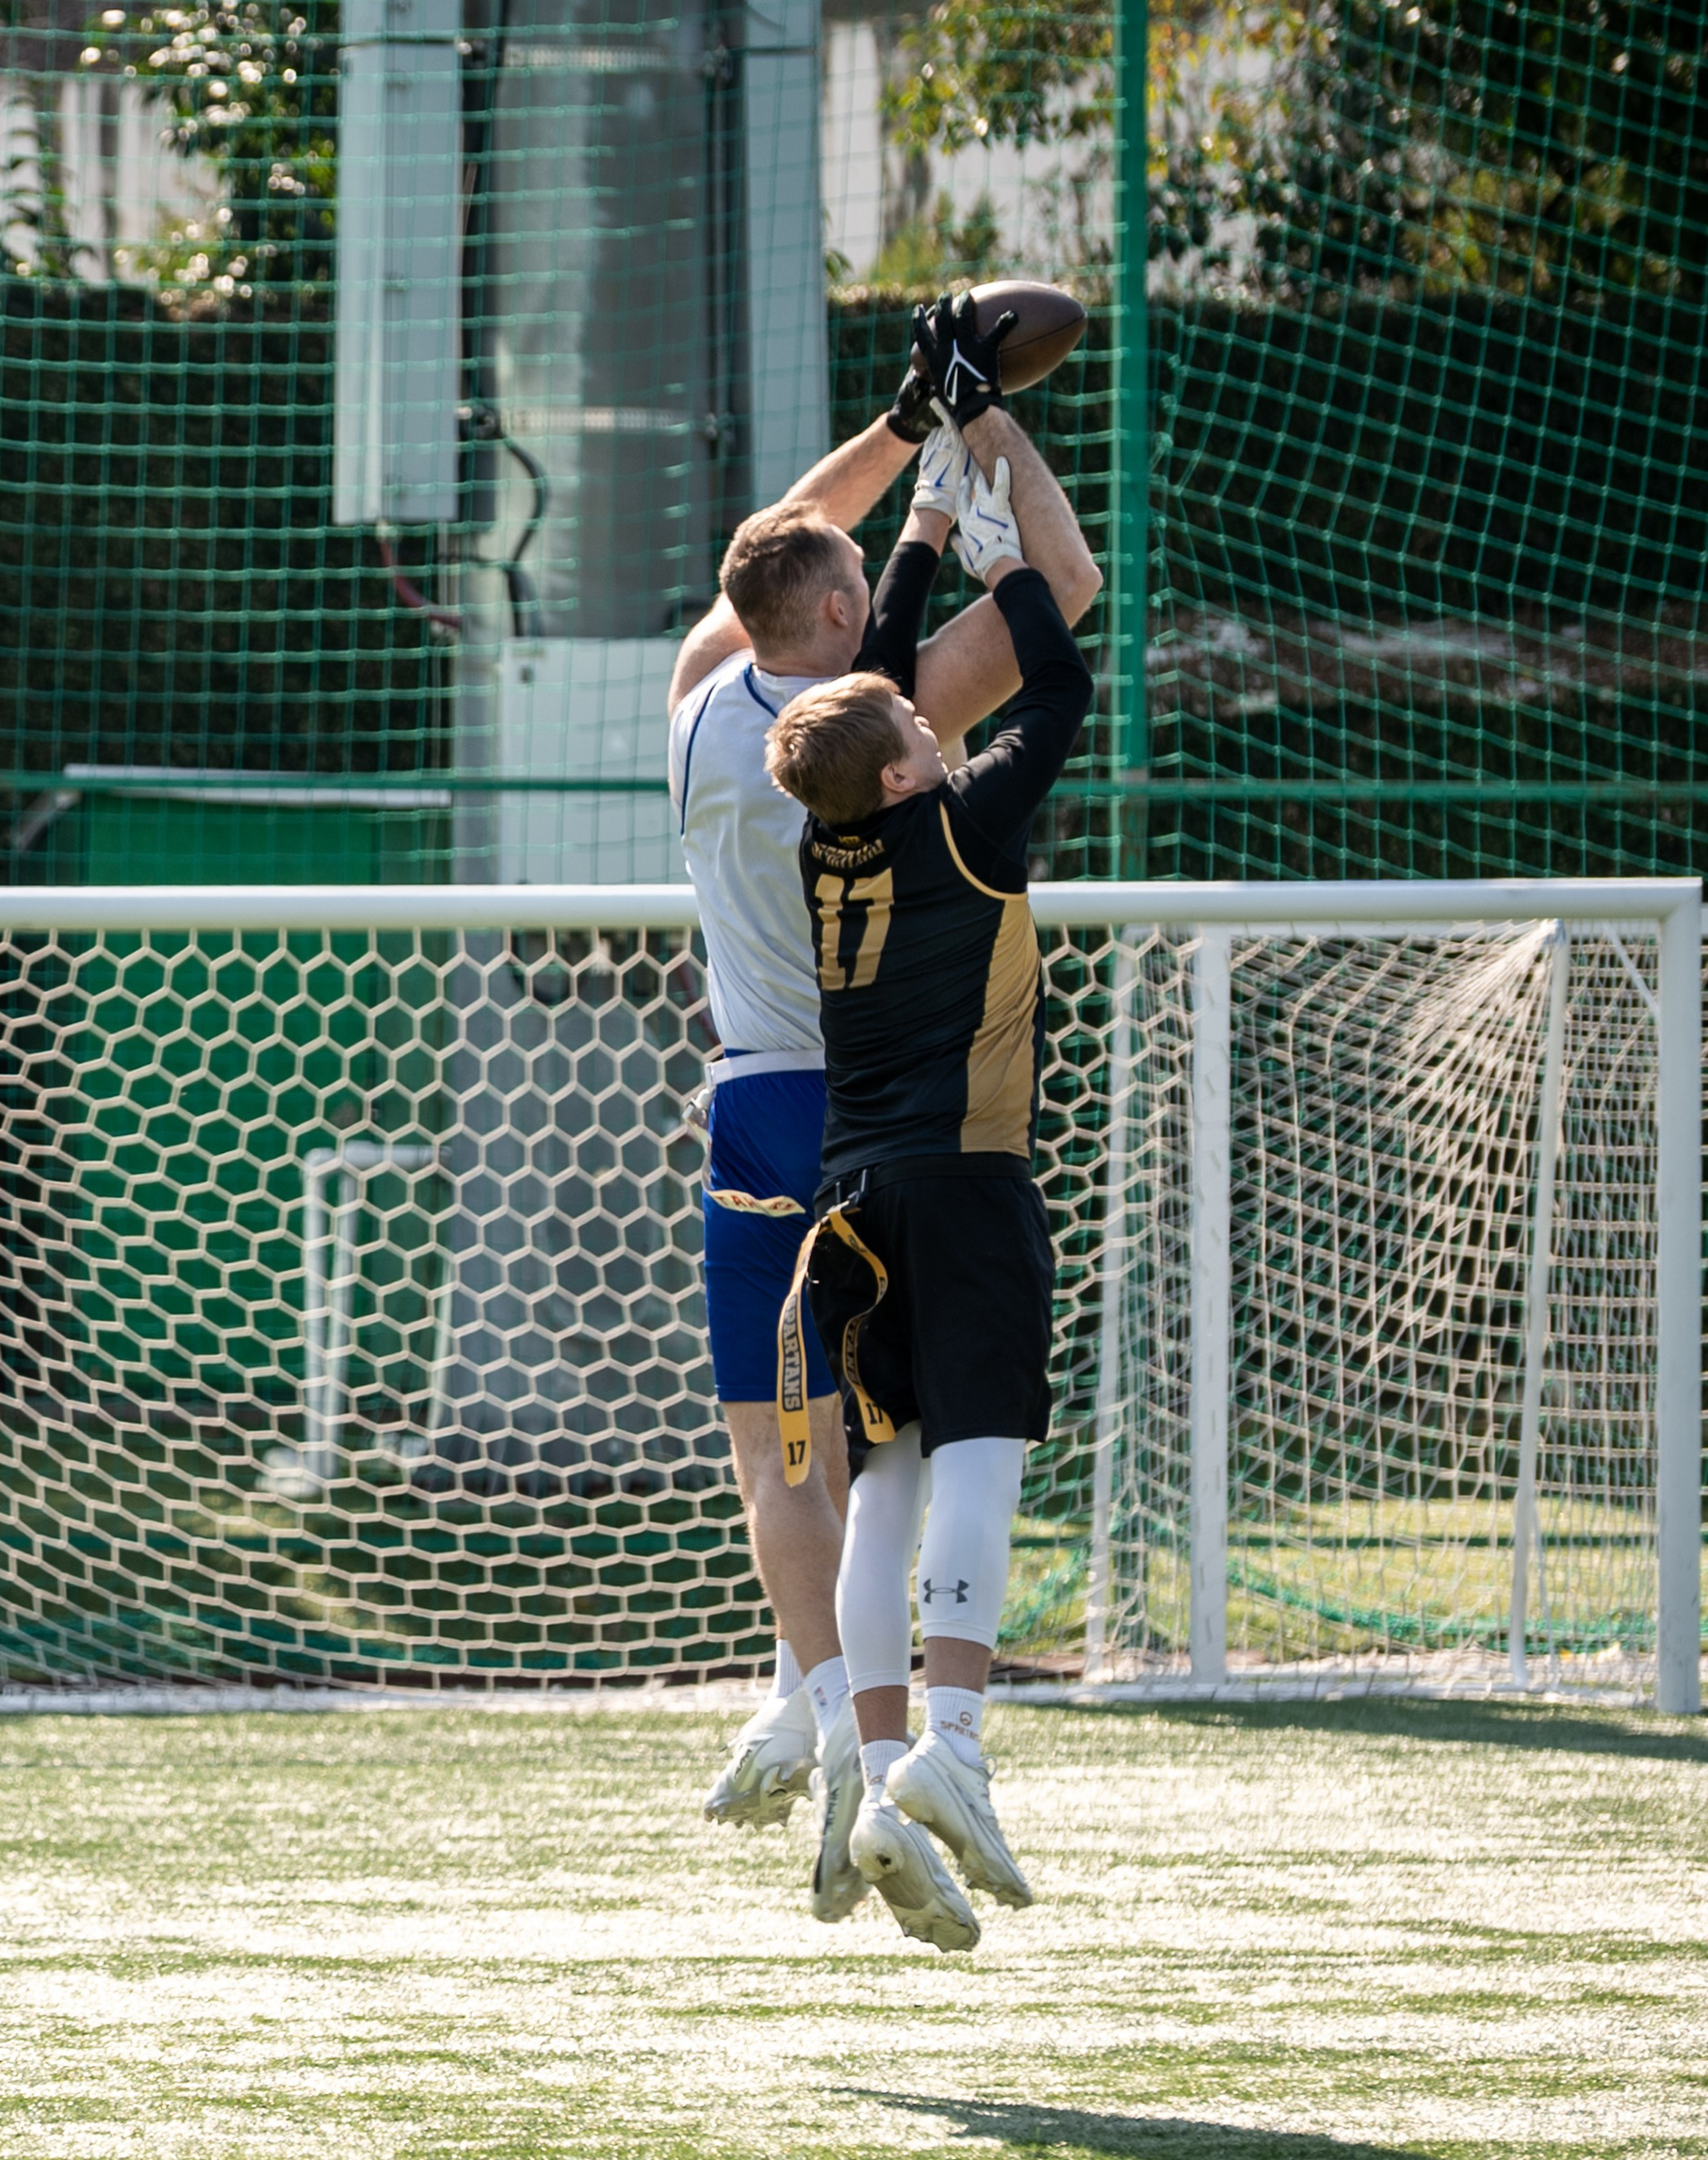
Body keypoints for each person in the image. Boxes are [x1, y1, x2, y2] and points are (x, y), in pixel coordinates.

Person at [667, 293, 1100, 1926]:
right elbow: (1066, 594)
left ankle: (825, 1712)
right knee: (941, 1441)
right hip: (903, 1105)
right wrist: (978, 417)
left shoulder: (708, 701)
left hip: (759, 1111)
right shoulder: (909, 735)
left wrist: (900, 431)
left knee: (788, 1448)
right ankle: (934, 1738)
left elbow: (774, 558)